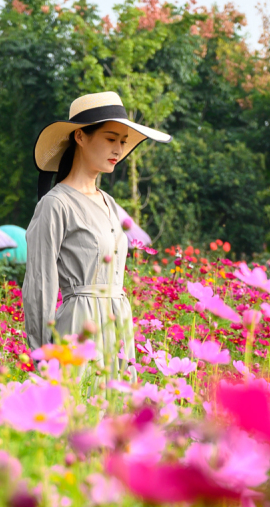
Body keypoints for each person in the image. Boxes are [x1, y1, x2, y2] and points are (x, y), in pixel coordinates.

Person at [21, 91, 170, 367]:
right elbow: (40, 285)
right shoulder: (55, 204)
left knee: (115, 409)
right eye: (111, 139)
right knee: (81, 407)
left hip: (117, 330)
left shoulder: (110, 204)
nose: (119, 149)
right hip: (78, 329)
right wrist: (43, 356)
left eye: (123, 142)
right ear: (80, 136)